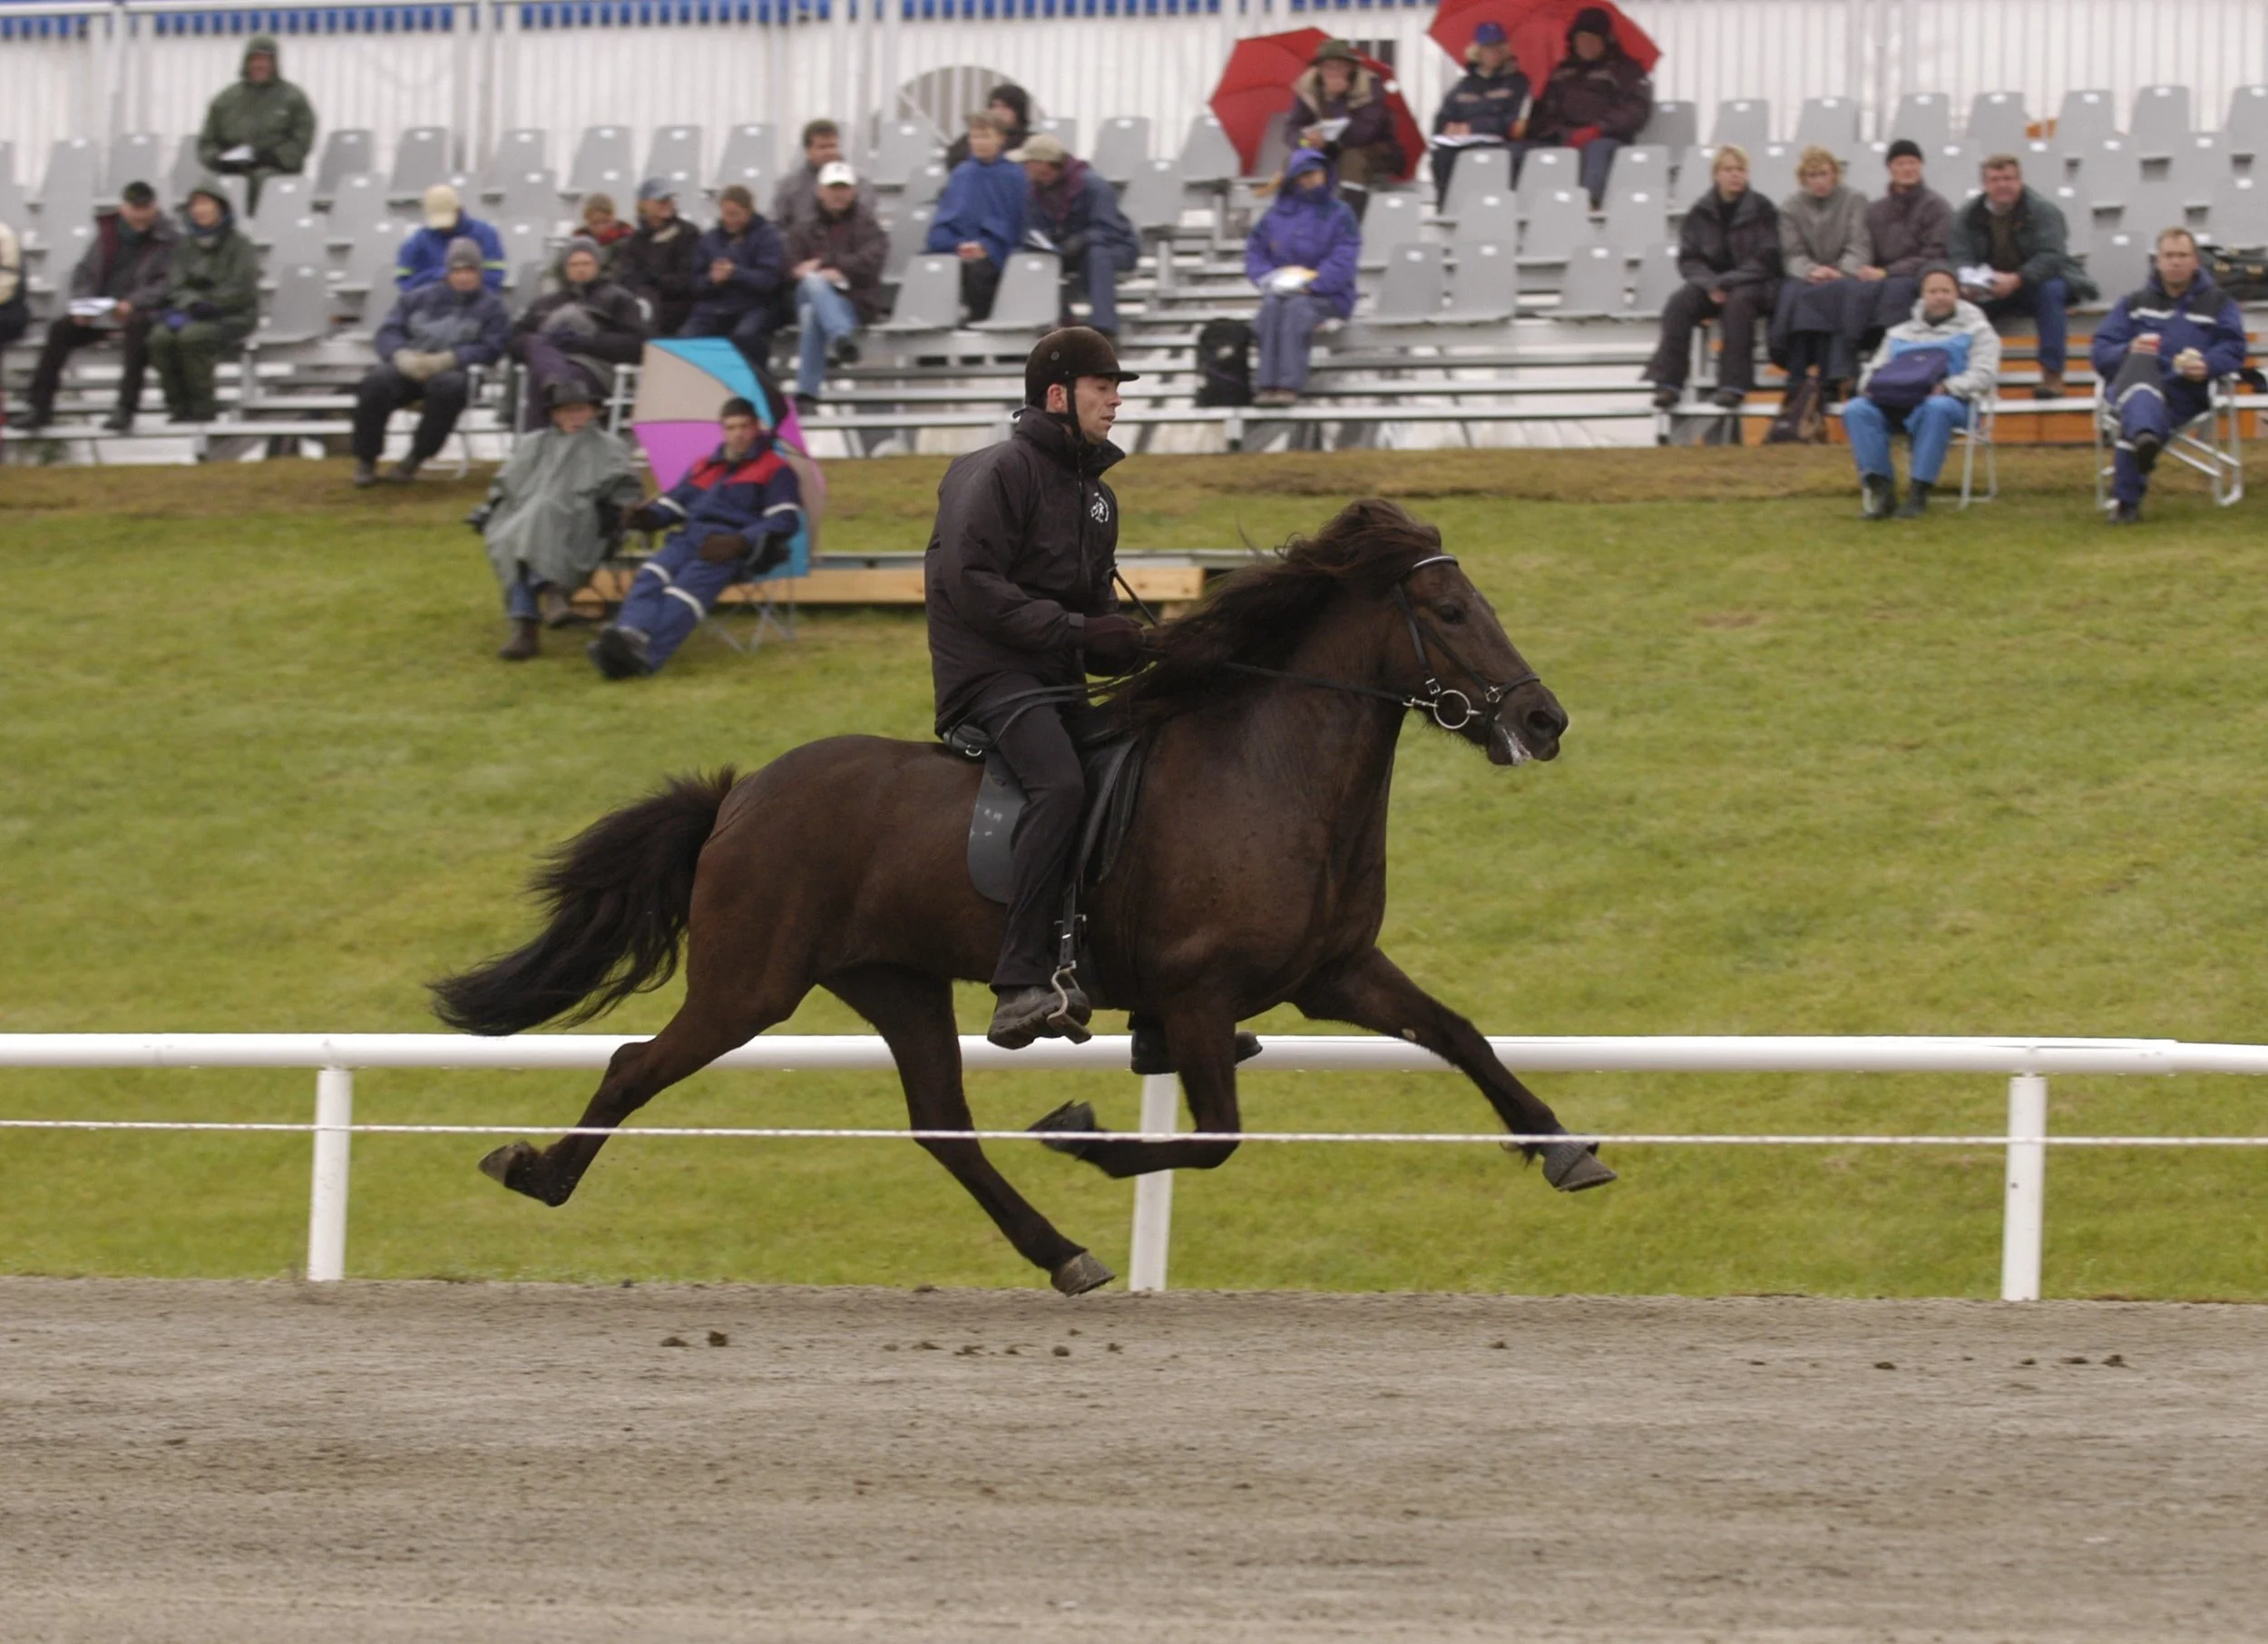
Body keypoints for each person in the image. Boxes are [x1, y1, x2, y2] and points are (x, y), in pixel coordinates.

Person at [924, 328, 1148, 1048]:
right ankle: (1020, 979)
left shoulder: (1099, 500)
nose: (1115, 400)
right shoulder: (992, 472)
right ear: (1059, 396)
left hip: (1053, 681)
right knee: (1061, 786)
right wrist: (1081, 633)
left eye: (1116, 389)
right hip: (989, 678)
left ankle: (1158, 988)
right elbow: (972, 585)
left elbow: (1098, 612)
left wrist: (1133, 646)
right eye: (1102, 387)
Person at [591, 396, 807, 680]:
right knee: (651, 574)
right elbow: (673, 505)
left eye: (744, 426)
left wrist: (741, 541)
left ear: (756, 427)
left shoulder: (775, 469)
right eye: (731, 427)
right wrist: (647, 518)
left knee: (682, 593)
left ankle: (645, 658)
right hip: (689, 539)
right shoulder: (704, 466)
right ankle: (629, 638)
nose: (738, 433)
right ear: (722, 430)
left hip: (730, 549)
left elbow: (785, 519)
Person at [469, 379, 644, 662]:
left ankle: (528, 625)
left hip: (581, 523)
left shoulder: (609, 447)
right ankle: (548, 597)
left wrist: (619, 511)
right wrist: (491, 508)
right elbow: (505, 484)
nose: (575, 417)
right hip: (522, 516)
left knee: (536, 518)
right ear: (554, 414)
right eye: (567, 411)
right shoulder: (533, 444)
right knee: (521, 529)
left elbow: (628, 491)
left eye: (581, 410)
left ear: (594, 412)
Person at [2088, 228, 2248, 525]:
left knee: (2135, 414)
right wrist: (2127, 350)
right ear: (2157, 261)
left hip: (2183, 391)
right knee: (2139, 376)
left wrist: (2208, 364)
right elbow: (2100, 351)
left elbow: (2234, 347)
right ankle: (2143, 441)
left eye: (2182, 256)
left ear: (2196, 261)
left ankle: (2128, 500)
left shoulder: (2219, 302)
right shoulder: (2132, 303)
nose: (2175, 262)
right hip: (2132, 384)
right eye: (2169, 256)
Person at [1843, 266, 2000, 520]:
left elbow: (1984, 375)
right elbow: (1872, 370)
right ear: (1922, 295)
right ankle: (1882, 491)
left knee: (1935, 408)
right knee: (1856, 409)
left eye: (1946, 291)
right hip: (1894, 403)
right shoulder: (1898, 333)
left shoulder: (1979, 330)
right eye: (1933, 291)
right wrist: (1871, 387)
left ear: (1957, 293)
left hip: (1954, 405)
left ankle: (1918, 493)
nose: (1939, 296)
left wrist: (1948, 387)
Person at [350, 237, 510, 487]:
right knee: (375, 383)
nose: (464, 276)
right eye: (458, 270)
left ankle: (415, 459)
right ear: (448, 271)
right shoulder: (414, 299)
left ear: (479, 272)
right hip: (411, 365)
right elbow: (388, 332)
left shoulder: (493, 308)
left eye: (470, 270)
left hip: (456, 371)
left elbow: (493, 348)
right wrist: (401, 356)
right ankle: (366, 459)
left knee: (448, 388)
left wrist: (451, 359)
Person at [21, 184, 175, 432]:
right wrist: (84, 305)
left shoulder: (168, 239)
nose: (139, 214)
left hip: (141, 312)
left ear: (154, 208)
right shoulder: (106, 235)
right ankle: (39, 406)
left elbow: (166, 282)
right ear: (123, 208)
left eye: (144, 208)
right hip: (102, 311)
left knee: (138, 332)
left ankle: (125, 408)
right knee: (60, 329)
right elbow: (84, 273)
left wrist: (133, 302)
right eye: (134, 208)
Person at [1642, 145, 1780, 410]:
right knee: (1678, 304)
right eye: (1729, 169)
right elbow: (1689, 259)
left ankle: (1733, 385)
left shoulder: (1763, 208)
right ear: (1716, 174)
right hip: (1712, 284)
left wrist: (1727, 282)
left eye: (1741, 169)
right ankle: (1668, 384)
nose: (1735, 175)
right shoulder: (1700, 211)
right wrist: (1710, 284)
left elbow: (1768, 258)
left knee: (1738, 304)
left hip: (1754, 284)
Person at [1948, 153, 2097, 399]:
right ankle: (1966, 379)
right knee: (1957, 301)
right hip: (1990, 286)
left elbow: (2052, 256)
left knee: (2052, 291)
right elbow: (1959, 257)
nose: (2002, 185)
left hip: (2035, 282)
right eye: (1995, 179)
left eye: (2008, 178)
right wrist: (1971, 282)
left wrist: (2018, 278)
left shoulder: (2043, 210)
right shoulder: (1967, 216)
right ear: (1985, 185)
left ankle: (2052, 375)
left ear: (2020, 180)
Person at [1768, 145, 1874, 442]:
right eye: (1812, 175)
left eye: (1824, 174)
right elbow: (1791, 253)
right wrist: (1811, 270)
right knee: (1797, 296)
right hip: (1809, 276)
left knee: (1837, 294)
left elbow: (1860, 244)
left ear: (1834, 174)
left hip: (1845, 274)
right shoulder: (1790, 207)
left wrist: (1841, 270)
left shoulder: (1855, 200)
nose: (1819, 181)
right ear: (1803, 178)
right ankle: (1804, 378)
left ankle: (1810, 381)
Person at [1243, 149, 1360, 406]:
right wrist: (1269, 279)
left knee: (1297, 310)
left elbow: (1344, 256)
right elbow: (1255, 252)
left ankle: (1288, 384)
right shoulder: (1274, 216)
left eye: (1314, 173)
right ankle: (1267, 383)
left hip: (1328, 296)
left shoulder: (1340, 213)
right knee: (1270, 310)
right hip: (1282, 292)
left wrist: (1314, 285)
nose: (1310, 180)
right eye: (1303, 174)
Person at [1510, 6, 1653, 206]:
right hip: (1561, 137)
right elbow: (1547, 111)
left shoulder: (1626, 70)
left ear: (1606, 40)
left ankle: (1588, 208)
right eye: (1582, 38)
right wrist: (1529, 124)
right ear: (1573, 40)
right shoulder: (1561, 71)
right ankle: (1512, 207)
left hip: (1605, 138)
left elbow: (1636, 110)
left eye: (1593, 38)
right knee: (1513, 151)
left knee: (1597, 151)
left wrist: (1598, 128)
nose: (1587, 44)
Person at [145, 178, 257, 424]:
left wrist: (211, 304)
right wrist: (192, 304)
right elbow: (175, 284)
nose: (199, 210)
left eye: (205, 203)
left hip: (231, 315)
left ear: (221, 207)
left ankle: (203, 405)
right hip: (189, 313)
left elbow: (241, 289)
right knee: (160, 338)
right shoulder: (184, 246)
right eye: (195, 205)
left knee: (192, 337)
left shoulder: (240, 245)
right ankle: (177, 405)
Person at [782, 160, 886, 416]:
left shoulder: (868, 227)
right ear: (820, 191)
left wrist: (828, 266)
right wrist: (813, 274)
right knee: (814, 283)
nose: (838, 194)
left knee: (811, 313)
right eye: (833, 188)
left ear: (853, 191)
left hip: (853, 302)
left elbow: (871, 261)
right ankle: (840, 337)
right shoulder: (803, 229)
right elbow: (789, 266)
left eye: (843, 188)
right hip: (814, 296)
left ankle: (807, 392)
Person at [511, 236, 648, 429]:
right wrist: (546, 344)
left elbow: (636, 346)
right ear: (565, 268)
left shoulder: (619, 299)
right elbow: (515, 342)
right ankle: (556, 380)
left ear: (598, 265)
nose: (580, 269)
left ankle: (538, 447)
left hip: (594, 366)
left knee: (545, 378)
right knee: (534, 343)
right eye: (574, 264)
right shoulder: (545, 303)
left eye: (586, 263)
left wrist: (587, 342)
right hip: (550, 364)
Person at [1012, 133, 1139, 338]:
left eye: (1028, 162)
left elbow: (1110, 229)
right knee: (1030, 259)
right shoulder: (1034, 192)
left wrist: (1081, 240)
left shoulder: (1093, 185)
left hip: (1115, 248)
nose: (1024, 167)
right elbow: (1033, 227)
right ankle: (1060, 324)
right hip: (1067, 250)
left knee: (1096, 255)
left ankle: (1105, 328)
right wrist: (1041, 242)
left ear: (1043, 164)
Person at [194, 33, 315, 214]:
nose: (260, 65)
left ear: (274, 63)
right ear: (247, 62)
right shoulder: (226, 100)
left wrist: (275, 157)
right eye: (256, 59)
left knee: (263, 179)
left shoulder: (292, 98)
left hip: (275, 172)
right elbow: (206, 142)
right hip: (232, 170)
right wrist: (219, 160)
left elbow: (302, 140)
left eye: (266, 60)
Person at [925, 112, 1027, 323]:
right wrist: (955, 244)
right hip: (959, 246)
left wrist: (987, 245)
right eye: (975, 136)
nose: (979, 142)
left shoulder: (1015, 176)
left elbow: (1017, 222)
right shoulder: (961, 174)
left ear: (1000, 138)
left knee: (978, 270)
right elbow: (947, 217)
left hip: (997, 249)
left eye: (986, 136)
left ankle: (980, 323)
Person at [1287, 39, 1404, 215]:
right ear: (1319, 69)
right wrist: (1305, 142)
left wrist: (1335, 101)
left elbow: (1363, 133)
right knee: (1298, 160)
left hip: (1373, 149)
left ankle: (1348, 221)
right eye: (1328, 67)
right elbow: (1293, 127)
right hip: (1328, 149)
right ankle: (1300, 220)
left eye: (1340, 66)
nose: (1334, 72)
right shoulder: (1308, 88)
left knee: (1352, 159)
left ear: (1351, 68)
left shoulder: (1370, 86)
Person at [680, 183, 785, 368]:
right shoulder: (710, 240)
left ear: (748, 211)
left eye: (735, 214)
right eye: (726, 214)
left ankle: (754, 384)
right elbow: (695, 284)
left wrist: (735, 273)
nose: (730, 220)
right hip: (714, 306)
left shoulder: (767, 236)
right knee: (687, 338)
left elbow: (769, 280)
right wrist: (712, 280)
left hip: (755, 305)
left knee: (745, 337)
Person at [1429, 21, 1530, 206]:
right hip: (1459, 142)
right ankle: (1446, 206)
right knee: (1441, 155)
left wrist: (1473, 127)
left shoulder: (1517, 83)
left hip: (1497, 143)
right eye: (1488, 48)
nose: (1494, 53)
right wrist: (1447, 127)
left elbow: (1514, 121)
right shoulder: (1463, 85)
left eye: (1498, 48)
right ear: (1477, 51)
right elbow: (1442, 117)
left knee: (1480, 155)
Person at [1861, 138, 1953, 334]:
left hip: (1917, 275)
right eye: (1900, 164)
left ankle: (1889, 345)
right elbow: (1864, 248)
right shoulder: (1875, 210)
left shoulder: (1936, 206)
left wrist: (1888, 272)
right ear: (1890, 168)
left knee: (1897, 288)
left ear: (1921, 166)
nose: (1907, 169)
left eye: (1912, 163)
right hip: (1881, 275)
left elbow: (1935, 253)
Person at [615, 177, 704, 337]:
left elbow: (686, 281)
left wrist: (654, 280)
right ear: (644, 204)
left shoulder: (688, 234)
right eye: (661, 200)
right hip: (644, 308)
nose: (667, 203)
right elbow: (626, 278)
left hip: (679, 310)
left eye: (669, 199)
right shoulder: (634, 241)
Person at [396, 183, 506, 293]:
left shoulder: (485, 234)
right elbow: (406, 283)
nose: (444, 227)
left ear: (459, 210)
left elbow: (494, 277)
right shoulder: (415, 242)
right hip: (430, 305)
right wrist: (438, 276)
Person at [771, 119, 845, 237]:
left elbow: (866, 230)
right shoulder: (788, 186)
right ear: (808, 150)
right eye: (822, 147)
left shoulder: (860, 184)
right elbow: (776, 228)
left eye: (833, 146)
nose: (829, 152)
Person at [945, 85, 1031, 172]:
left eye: (1006, 107)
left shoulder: (1029, 141)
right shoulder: (969, 138)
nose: (999, 111)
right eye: (995, 106)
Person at [578, 192, 632, 265]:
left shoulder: (627, 240)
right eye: (595, 223)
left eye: (605, 222)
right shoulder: (579, 243)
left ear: (613, 218)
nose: (601, 228)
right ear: (587, 221)